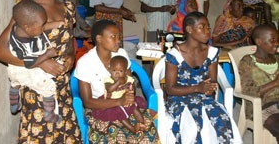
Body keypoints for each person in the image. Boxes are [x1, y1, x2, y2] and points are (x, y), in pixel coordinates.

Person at [0, 0, 81, 143]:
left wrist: (71, 58)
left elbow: (70, 44)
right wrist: (40, 64)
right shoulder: (26, 10)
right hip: (37, 92)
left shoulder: (68, 9)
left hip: (63, 89)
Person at [74, 20, 159, 143]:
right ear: (99, 38)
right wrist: (118, 101)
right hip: (100, 108)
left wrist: (128, 95)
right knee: (115, 134)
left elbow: (130, 83)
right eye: (113, 37)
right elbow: (87, 102)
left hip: (125, 103)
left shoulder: (121, 54)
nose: (118, 40)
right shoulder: (85, 62)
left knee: (146, 129)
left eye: (118, 37)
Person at [165, 11, 241, 143]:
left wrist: (209, 87)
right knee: (193, 125)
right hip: (179, 99)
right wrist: (198, 88)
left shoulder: (211, 52)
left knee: (221, 119)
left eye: (208, 27)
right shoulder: (175, 54)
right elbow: (170, 89)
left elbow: (212, 80)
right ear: (189, 29)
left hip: (203, 97)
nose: (207, 31)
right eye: (202, 27)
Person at [8, 0, 63, 124]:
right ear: (28, 27)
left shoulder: (22, 29)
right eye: (41, 26)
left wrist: (55, 24)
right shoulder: (22, 46)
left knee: (15, 83)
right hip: (24, 70)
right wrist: (47, 54)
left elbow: (39, 28)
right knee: (49, 87)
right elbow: (29, 63)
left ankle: (14, 103)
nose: (43, 28)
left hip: (13, 71)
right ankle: (49, 114)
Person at [239, 24, 279, 142]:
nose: (276, 43)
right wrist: (275, 83)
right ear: (259, 42)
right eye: (272, 40)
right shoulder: (248, 62)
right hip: (262, 106)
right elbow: (248, 91)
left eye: (277, 39)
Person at [92, 55, 147, 133]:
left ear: (125, 72)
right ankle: (132, 128)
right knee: (120, 114)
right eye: (114, 70)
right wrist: (118, 82)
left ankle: (141, 123)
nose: (117, 74)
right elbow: (109, 89)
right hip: (112, 103)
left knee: (135, 106)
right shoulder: (108, 80)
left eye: (120, 71)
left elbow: (132, 90)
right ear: (109, 70)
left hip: (125, 101)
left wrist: (130, 91)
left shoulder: (128, 79)